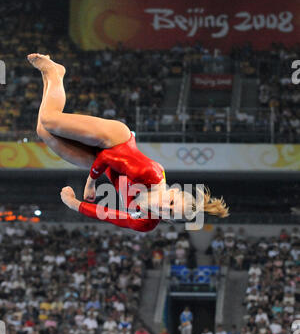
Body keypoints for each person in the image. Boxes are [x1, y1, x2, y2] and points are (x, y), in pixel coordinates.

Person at [28, 53, 229, 233]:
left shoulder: (145, 222)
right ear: (173, 191)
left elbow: (109, 215)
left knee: (43, 131)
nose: (164, 207)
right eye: (171, 202)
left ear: (169, 219)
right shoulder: (150, 174)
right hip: (114, 140)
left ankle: (49, 77)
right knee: (49, 120)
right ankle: (55, 72)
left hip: (99, 163)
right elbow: (108, 156)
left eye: (169, 213)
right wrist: (91, 184)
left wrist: (74, 204)